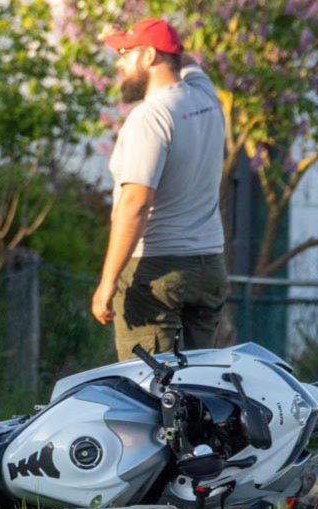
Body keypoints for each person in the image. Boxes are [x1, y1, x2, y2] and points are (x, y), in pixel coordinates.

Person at [90, 18, 229, 361]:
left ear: (149, 55)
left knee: (151, 392)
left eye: (125, 54)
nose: (119, 64)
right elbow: (189, 61)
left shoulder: (150, 117)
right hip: (209, 266)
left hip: (157, 272)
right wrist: (129, 39)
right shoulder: (206, 97)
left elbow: (136, 203)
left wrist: (108, 280)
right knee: (201, 389)